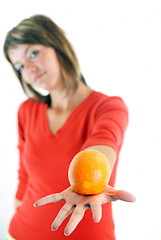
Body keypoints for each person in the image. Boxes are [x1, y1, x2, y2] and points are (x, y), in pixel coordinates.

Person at [3, 14, 135, 240]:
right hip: (21, 232)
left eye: (33, 53)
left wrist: (92, 178)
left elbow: (102, 143)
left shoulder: (108, 107)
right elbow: (24, 175)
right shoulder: (27, 110)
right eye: (20, 66)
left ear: (57, 44)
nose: (29, 69)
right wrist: (15, 211)